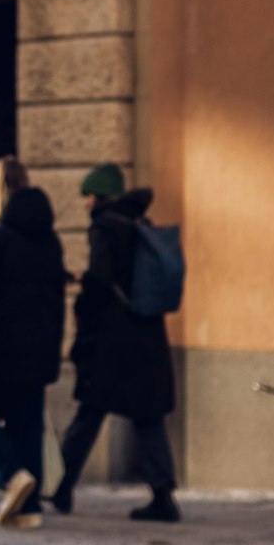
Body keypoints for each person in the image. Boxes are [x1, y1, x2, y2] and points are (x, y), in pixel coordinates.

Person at [50, 163, 180, 522]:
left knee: (89, 411)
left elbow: (103, 279)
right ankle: (163, 494)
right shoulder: (139, 224)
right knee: (148, 417)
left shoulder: (105, 227)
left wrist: (82, 301)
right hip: (147, 334)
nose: (86, 203)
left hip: (113, 340)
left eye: (88, 195)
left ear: (100, 197)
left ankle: (61, 487)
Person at [0, 156, 66, 528]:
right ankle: (30, 510)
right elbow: (56, 298)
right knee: (26, 423)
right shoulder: (49, 239)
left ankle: (12, 476)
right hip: (38, 348)